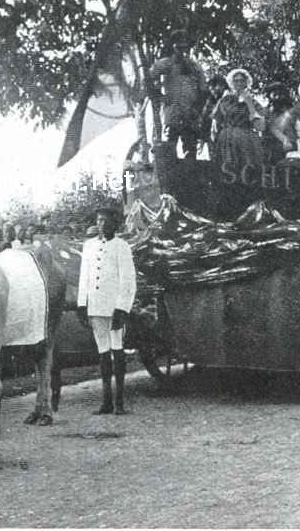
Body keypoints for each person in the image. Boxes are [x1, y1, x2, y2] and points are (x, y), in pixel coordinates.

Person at [76, 207, 136, 415]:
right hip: (96, 306)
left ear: (114, 224)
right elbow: (84, 277)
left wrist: (122, 308)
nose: (102, 224)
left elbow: (128, 280)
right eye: (99, 220)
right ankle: (106, 401)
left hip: (114, 307)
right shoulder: (89, 246)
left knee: (116, 350)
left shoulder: (122, 246)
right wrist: (82, 304)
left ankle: (119, 402)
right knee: (103, 353)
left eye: (106, 221)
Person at [149, 29, 208, 161]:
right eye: (179, 45)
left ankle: (189, 178)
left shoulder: (195, 67)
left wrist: (197, 110)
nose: (183, 48)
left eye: (185, 45)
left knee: (191, 148)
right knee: (170, 144)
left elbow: (203, 91)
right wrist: (159, 96)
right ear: (173, 46)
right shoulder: (165, 63)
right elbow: (148, 80)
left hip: (190, 112)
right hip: (172, 110)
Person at [211, 68, 265, 169]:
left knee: (245, 167)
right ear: (232, 83)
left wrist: (249, 103)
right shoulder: (224, 101)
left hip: (245, 138)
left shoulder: (253, 102)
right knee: (225, 167)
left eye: (242, 81)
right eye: (236, 81)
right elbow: (216, 124)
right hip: (226, 139)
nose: (239, 83)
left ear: (246, 83)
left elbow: (260, 126)